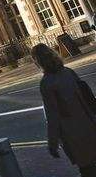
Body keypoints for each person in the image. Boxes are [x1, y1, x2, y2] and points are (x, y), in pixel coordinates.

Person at [32, 43, 96, 177]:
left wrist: (52, 143)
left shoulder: (46, 83)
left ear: (38, 61)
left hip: (73, 133)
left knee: (87, 169)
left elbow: (52, 116)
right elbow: (87, 97)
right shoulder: (68, 71)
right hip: (90, 124)